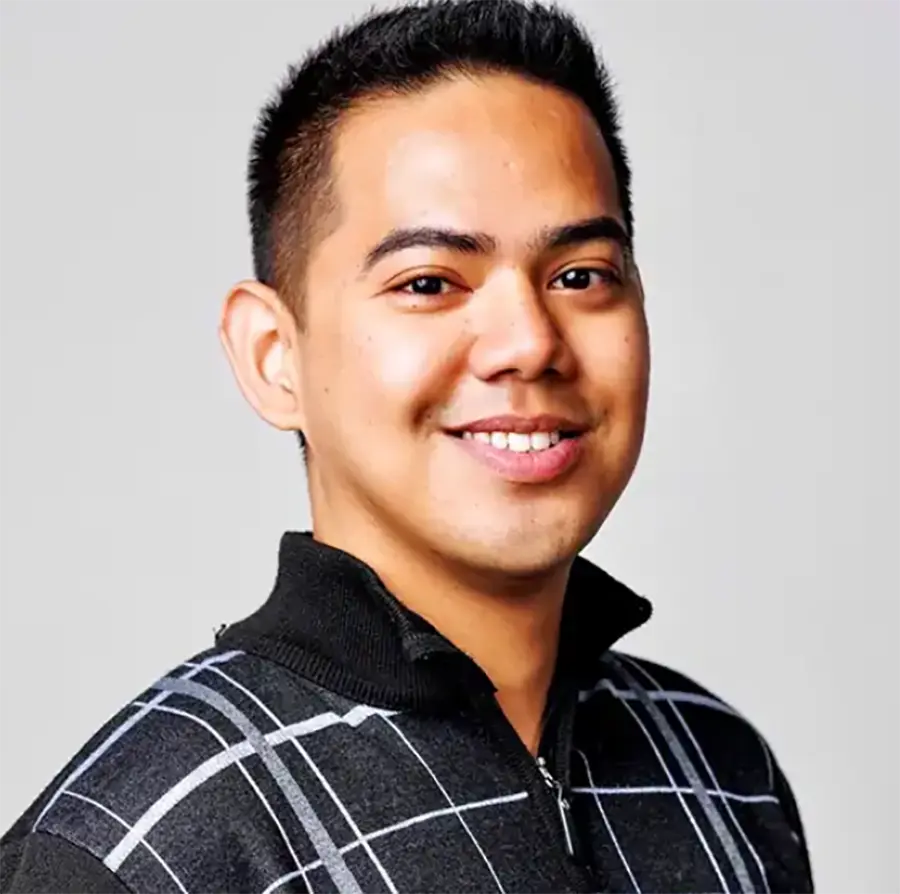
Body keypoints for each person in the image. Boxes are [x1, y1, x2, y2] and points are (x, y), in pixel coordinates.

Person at [0, 0, 815, 891]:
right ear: (274, 356)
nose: (528, 342)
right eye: (429, 282)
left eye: (580, 276)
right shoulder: (139, 848)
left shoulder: (719, 769)